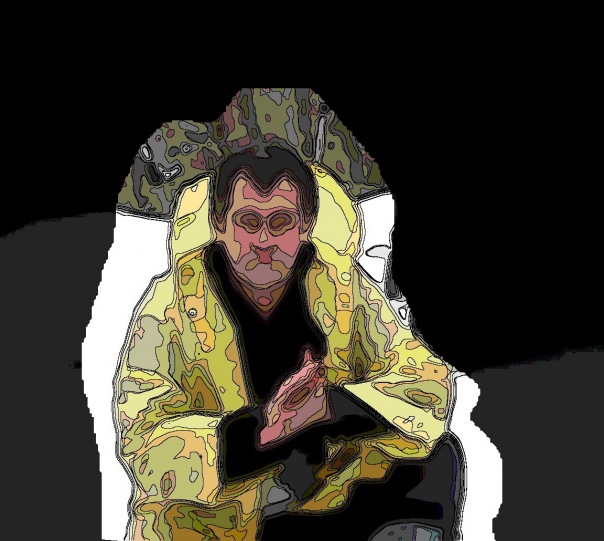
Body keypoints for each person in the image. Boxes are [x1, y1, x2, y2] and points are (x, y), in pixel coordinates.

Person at [114, 146, 463, 540]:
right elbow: (142, 443)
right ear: (218, 224)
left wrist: (333, 407)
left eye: (281, 221)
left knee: (436, 459)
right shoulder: (168, 310)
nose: (263, 241)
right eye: (248, 221)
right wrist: (258, 432)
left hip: (319, 492)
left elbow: (424, 379)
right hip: (215, 521)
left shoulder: (341, 288)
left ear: (307, 223)